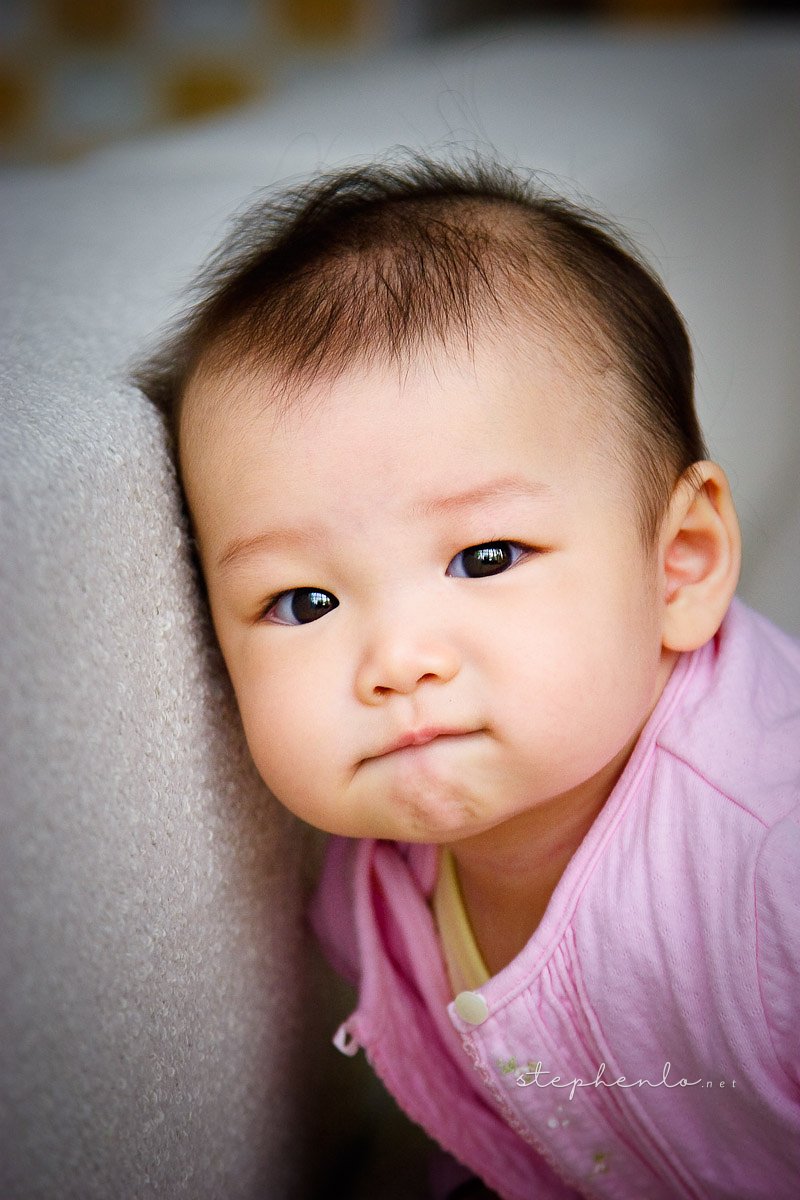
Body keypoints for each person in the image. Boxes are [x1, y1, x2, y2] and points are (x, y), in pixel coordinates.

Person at [135, 155, 800, 1199]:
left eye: (484, 558)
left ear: (678, 565)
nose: (398, 662)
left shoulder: (770, 852)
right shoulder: (369, 894)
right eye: (304, 603)